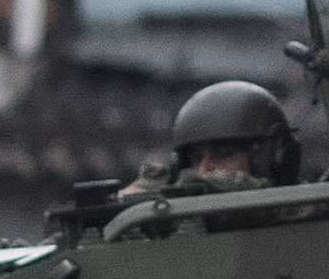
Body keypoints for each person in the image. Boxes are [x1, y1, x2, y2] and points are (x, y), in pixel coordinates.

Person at [112, 79, 300, 207]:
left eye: (224, 154)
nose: (203, 171)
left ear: (274, 160)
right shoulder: (184, 219)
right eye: (196, 159)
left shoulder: (303, 212)